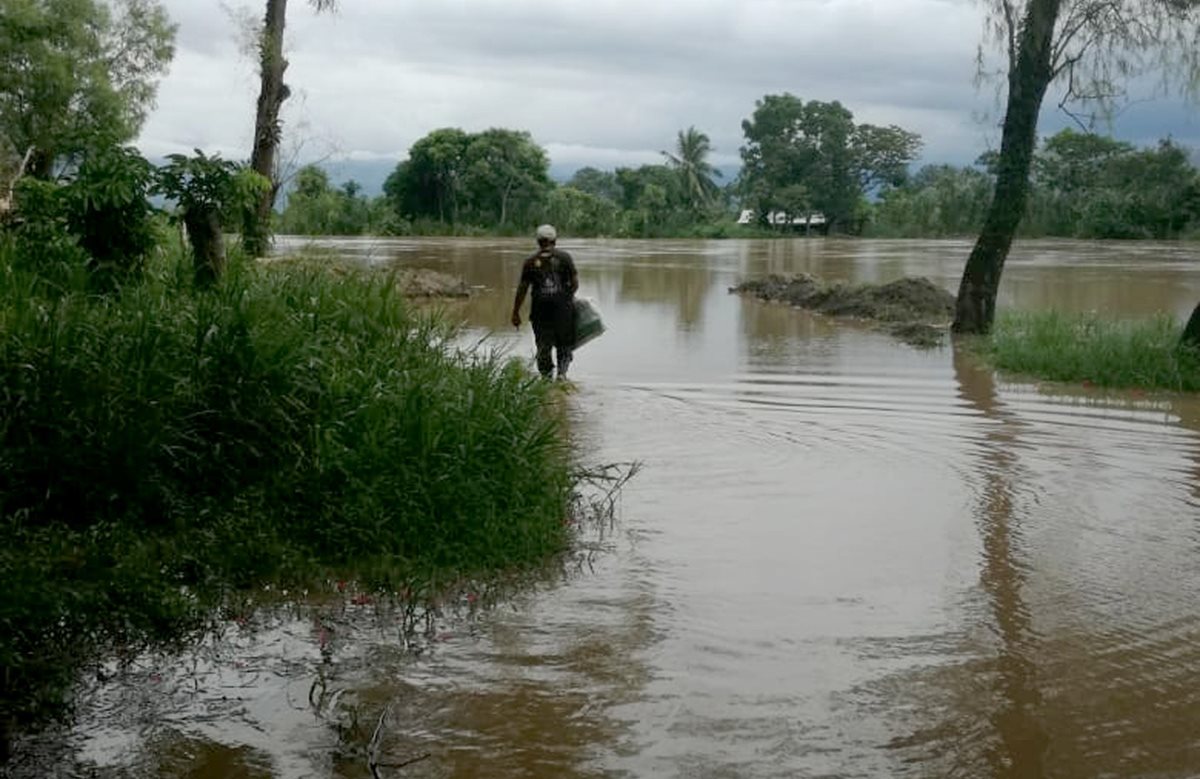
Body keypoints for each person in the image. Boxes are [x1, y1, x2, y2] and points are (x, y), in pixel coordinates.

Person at [511, 224, 579, 379]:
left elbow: (522, 289)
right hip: (563, 309)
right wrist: (568, 298)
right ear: (554, 240)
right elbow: (575, 284)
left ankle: (546, 380)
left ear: (538, 241)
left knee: (543, 345)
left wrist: (515, 312)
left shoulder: (530, 262)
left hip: (540, 311)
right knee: (564, 343)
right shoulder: (565, 258)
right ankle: (562, 375)